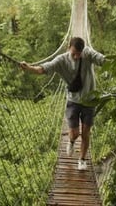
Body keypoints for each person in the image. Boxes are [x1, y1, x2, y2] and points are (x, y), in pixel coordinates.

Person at [20, 37, 105, 170]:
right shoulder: (61, 60)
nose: (76, 57)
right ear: (68, 48)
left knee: (86, 132)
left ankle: (82, 160)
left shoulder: (87, 53)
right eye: (74, 53)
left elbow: (102, 60)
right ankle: (71, 141)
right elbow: (43, 69)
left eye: (79, 54)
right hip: (73, 100)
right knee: (75, 133)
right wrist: (29, 68)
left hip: (90, 99)